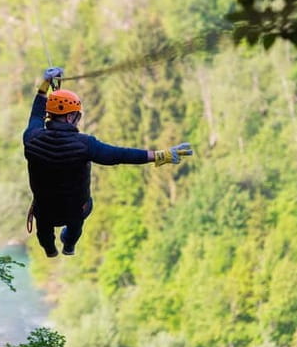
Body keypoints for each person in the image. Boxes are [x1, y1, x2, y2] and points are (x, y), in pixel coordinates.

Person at [23, 67, 193, 257]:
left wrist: (45, 84)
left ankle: (50, 249)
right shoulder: (85, 145)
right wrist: (162, 155)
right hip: (75, 209)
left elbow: (36, 116)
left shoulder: (31, 138)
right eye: (77, 116)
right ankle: (68, 245)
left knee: (44, 231)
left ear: (50, 115)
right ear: (71, 117)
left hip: (45, 209)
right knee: (76, 225)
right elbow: (120, 155)